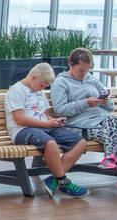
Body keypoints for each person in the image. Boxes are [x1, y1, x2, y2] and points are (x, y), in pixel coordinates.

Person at [51, 48, 117, 194]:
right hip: (79, 126)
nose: (84, 74)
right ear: (70, 64)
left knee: (113, 121)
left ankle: (109, 158)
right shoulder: (61, 83)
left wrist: (105, 101)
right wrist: (86, 103)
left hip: (101, 122)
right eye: (81, 70)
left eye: (87, 70)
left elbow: (110, 107)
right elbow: (60, 110)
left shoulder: (91, 79)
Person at [5, 63, 88, 197]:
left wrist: (53, 121)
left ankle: (54, 180)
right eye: (42, 85)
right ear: (33, 77)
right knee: (50, 144)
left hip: (43, 128)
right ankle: (63, 182)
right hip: (23, 130)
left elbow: (44, 114)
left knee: (81, 143)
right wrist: (47, 124)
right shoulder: (17, 91)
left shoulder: (39, 92)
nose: (43, 88)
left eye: (45, 87)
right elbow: (19, 119)